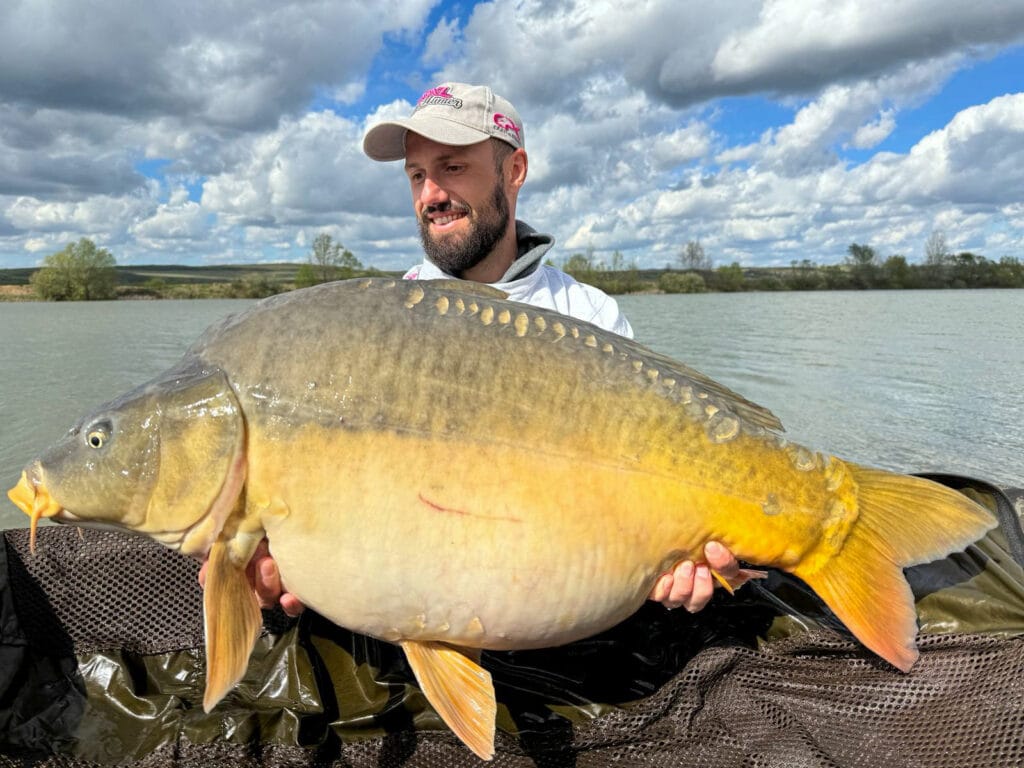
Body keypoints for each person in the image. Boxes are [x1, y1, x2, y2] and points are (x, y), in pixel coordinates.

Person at [206, 82, 744, 617]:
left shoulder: (590, 316)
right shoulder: (379, 329)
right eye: (417, 175)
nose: (430, 195)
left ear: (515, 172)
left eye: (452, 168)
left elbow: (650, 482)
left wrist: (687, 562)